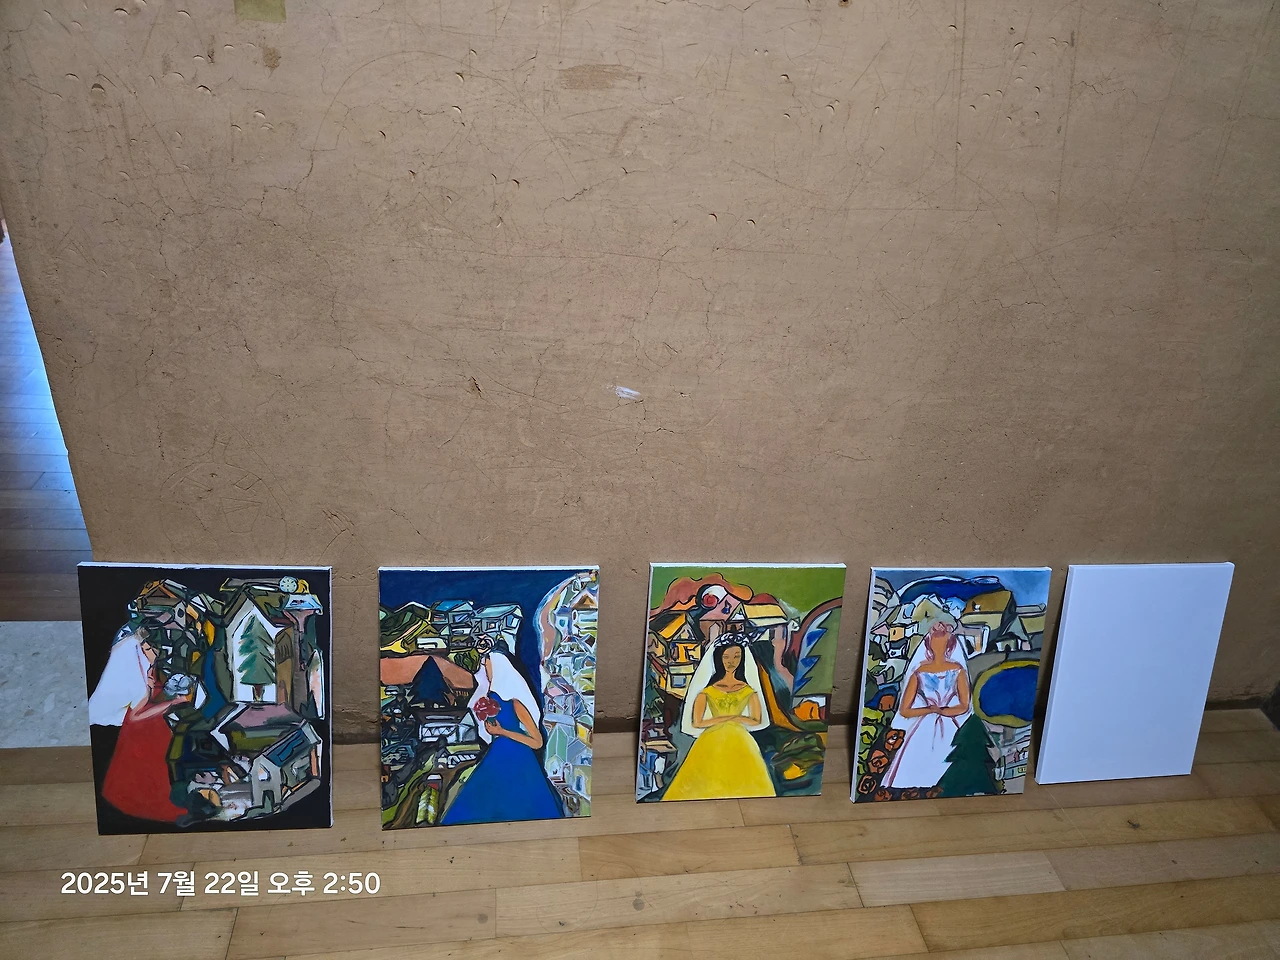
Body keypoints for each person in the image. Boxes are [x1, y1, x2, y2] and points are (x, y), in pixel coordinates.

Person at [438, 634, 563, 824]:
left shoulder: (515, 703)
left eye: (487, 664)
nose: (485, 669)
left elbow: (537, 742)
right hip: (498, 754)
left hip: (520, 761)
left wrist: (502, 732)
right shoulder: (491, 702)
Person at [90, 623, 191, 823]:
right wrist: (173, 703)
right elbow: (135, 717)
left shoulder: (149, 667)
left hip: (152, 733)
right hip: (144, 737)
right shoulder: (138, 679)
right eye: (148, 647)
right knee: (148, 776)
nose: (154, 651)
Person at [664, 638, 776, 800]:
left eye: (737, 656)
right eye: (726, 657)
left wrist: (733, 718)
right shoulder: (707, 691)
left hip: (741, 740)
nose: (732, 661)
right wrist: (730, 718)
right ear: (719, 658)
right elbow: (697, 722)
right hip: (711, 739)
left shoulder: (748, 690)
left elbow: (757, 720)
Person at [881, 620, 972, 791]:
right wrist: (929, 709)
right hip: (924, 726)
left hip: (949, 725)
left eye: (943, 644)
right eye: (935, 644)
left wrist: (943, 711)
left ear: (950, 646)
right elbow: (905, 710)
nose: (939, 648)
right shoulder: (919, 672)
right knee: (916, 763)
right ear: (929, 646)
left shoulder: (958, 670)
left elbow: (964, 705)